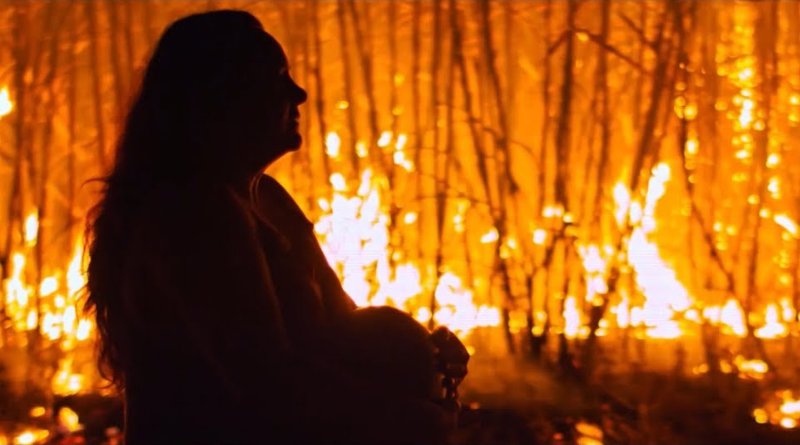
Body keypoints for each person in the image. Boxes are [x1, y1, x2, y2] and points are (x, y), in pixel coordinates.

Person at [84, 10, 458, 445]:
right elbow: (265, 382)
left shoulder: (270, 199)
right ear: (221, 93)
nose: (297, 93)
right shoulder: (191, 213)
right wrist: (411, 419)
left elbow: (342, 323)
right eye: (277, 76)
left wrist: (422, 353)